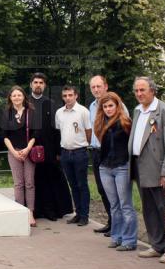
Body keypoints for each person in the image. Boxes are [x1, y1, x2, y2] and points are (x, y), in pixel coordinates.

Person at [128, 76, 165, 259]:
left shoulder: (164, 111)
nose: (139, 94)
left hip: (157, 168)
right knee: (148, 208)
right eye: (136, 91)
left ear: (152, 91)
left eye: (143, 90)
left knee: (163, 208)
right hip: (140, 166)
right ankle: (157, 245)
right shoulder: (137, 111)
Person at [94, 92, 138, 251]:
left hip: (122, 167)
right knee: (114, 205)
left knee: (125, 205)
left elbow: (132, 145)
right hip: (105, 167)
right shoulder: (99, 122)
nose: (108, 109)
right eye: (105, 106)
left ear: (117, 105)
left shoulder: (126, 122)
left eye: (111, 105)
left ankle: (129, 240)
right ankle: (117, 236)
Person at [29, 73, 73, 221]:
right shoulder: (24, 102)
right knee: (32, 181)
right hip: (29, 149)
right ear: (31, 85)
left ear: (44, 85)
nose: (38, 85)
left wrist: (58, 152)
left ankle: (49, 210)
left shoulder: (51, 104)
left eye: (41, 82)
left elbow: (57, 129)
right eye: (35, 82)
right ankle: (33, 211)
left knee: (48, 180)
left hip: (48, 150)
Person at [88, 75, 129, 235]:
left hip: (115, 154)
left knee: (119, 194)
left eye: (99, 86)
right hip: (97, 152)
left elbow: (126, 128)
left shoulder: (118, 105)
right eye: (93, 87)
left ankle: (121, 227)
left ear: (105, 86)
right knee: (102, 189)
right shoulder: (92, 106)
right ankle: (112, 222)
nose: (96, 90)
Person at [55, 85, 92, 226]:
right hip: (65, 153)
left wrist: (83, 145)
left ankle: (85, 215)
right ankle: (78, 213)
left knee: (82, 184)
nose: (67, 98)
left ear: (76, 95)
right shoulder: (59, 112)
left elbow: (88, 131)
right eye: (65, 96)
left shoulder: (83, 111)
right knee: (73, 185)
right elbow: (60, 131)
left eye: (70, 95)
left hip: (79, 153)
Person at [2, 86, 37, 227]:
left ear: (24, 97)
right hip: (13, 151)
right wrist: (14, 152)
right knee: (18, 183)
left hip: (28, 151)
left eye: (19, 95)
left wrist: (28, 149)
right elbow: (4, 136)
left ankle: (30, 213)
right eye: (14, 95)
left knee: (29, 183)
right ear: (10, 98)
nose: (16, 97)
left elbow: (35, 134)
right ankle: (20, 212)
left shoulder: (31, 113)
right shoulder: (6, 114)